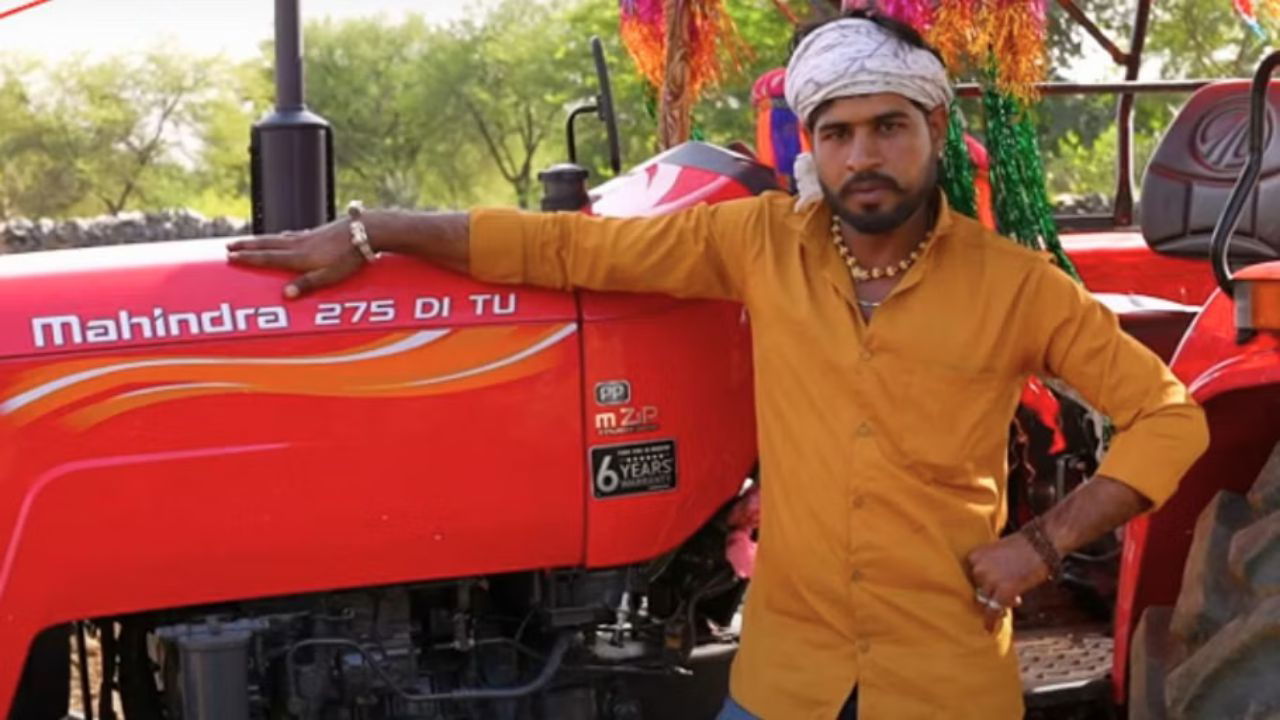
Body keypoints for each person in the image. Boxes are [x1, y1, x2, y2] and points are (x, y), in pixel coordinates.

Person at [227, 12, 1209, 719]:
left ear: (933, 133)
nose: (861, 154)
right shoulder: (755, 244)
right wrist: (371, 230)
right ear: (811, 149)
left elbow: (1169, 415)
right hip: (787, 676)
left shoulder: (1015, 285)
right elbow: (568, 249)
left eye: (886, 127)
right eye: (837, 133)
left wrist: (1038, 546)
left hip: (944, 681)